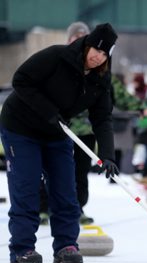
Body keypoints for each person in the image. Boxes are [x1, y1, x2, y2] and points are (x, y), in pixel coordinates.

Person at [0, 23, 119, 263]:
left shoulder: (100, 79)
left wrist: (107, 155)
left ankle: (66, 245)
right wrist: (49, 112)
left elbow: (102, 118)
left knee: (66, 189)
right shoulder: (56, 57)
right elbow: (20, 80)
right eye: (96, 49)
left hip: (56, 132)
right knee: (27, 187)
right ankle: (22, 249)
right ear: (87, 44)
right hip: (21, 128)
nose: (98, 56)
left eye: (105, 53)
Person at [39, 21, 98, 226]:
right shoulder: (58, 58)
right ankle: (44, 208)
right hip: (59, 128)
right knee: (50, 169)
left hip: (85, 131)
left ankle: (77, 208)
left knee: (80, 173)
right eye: (76, 36)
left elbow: (106, 95)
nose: (80, 40)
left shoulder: (95, 64)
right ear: (69, 38)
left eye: (84, 36)